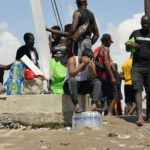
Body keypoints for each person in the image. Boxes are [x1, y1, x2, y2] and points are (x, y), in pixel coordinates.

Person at [126, 15, 150, 125]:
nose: (145, 25)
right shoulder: (135, 34)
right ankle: (140, 116)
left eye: (147, 23)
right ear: (140, 22)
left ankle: (148, 115)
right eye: (143, 23)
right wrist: (132, 45)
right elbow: (127, 48)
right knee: (138, 90)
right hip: (137, 67)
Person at [63, 48, 101, 113]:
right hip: (69, 86)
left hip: (81, 86)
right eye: (86, 58)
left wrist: (90, 67)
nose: (87, 60)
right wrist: (83, 64)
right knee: (72, 80)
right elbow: (71, 74)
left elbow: (93, 77)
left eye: (89, 59)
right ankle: (76, 106)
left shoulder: (91, 63)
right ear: (82, 56)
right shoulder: (73, 60)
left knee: (97, 82)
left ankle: (93, 106)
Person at [94, 34, 117, 116]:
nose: (110, 44)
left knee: (99, 97)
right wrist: (112, 76)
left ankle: (99, 114)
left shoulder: (96, 50)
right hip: (105, 76)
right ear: (106, 41)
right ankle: (109, 114)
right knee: (114, 95)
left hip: (97, 76)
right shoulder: (106, 49)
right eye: (110, 42)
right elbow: (106, 63)